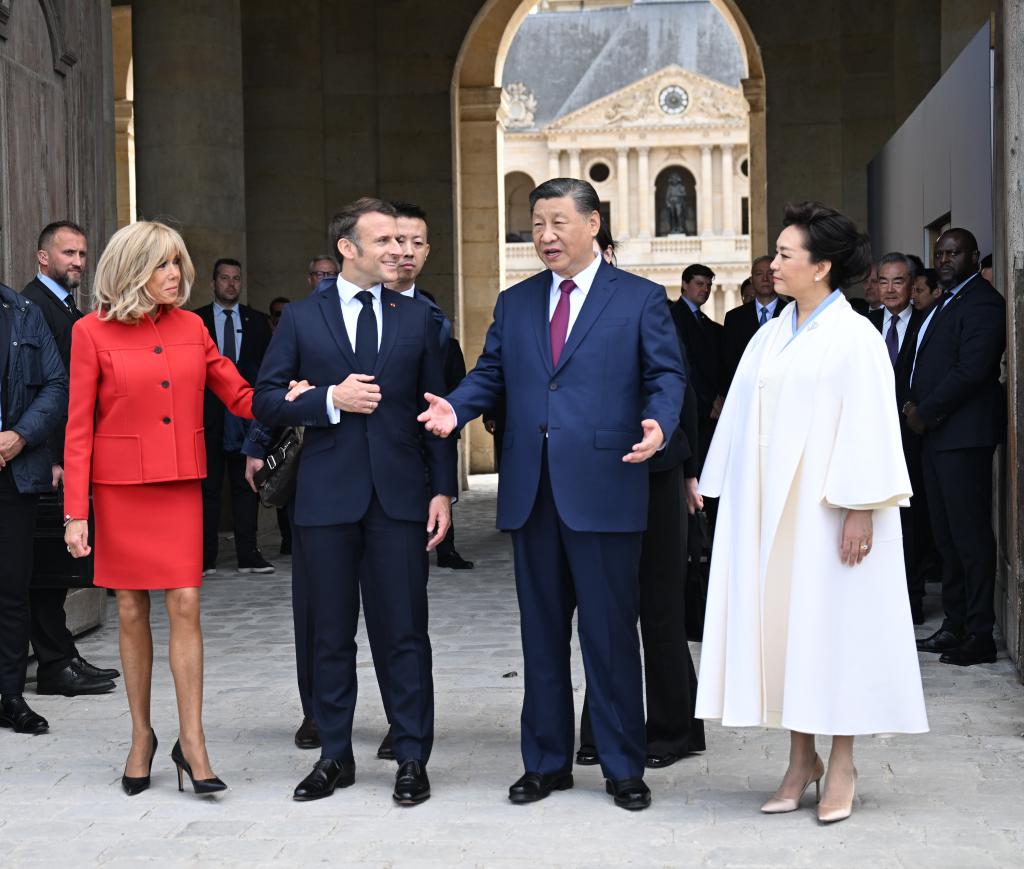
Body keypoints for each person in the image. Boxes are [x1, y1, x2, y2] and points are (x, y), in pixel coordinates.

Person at [419, 177, 685, 812]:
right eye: (537, 223)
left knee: (610, 636)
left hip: (606, 489)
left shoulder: (640, 298)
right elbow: (491, 372)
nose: (545, 235)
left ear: (593, 224)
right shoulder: (516, 303)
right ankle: (544, 763)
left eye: (558, 222)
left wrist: (660, 422)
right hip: (533, 494)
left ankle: (622, 766)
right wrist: (456, 408)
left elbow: (666, 374)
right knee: (540, 636)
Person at [695, 202, 928, 824]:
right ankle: (801, 760)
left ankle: (842, 761)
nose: (772, 265)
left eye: (784, 254)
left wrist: (861, 508)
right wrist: (720, 487)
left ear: (821, 266)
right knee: (787, 629)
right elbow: (741, 413)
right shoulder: (771, 333)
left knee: (837, 630)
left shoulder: (855, 337)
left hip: (830, 511)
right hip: (771, 509)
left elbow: (871, 424)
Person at [253, 197, 457, 806]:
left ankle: (412, 756)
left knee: (404, 633)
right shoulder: (301, 319)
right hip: (324, 501)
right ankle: (334, 756)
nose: (400, 249)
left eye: (403, 240)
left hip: (399, 500)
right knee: (330, 635)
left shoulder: (417, 317)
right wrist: (328, 399)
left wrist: (442, 489)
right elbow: (265, 400)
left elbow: (435, 412)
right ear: (348, 248)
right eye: (385, 240)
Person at [64, 221, 256, 796]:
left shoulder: (193, 327)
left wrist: (302, 398)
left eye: (178, 263)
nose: (175, 275)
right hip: (120, 487)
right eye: (162, 265)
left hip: (179, 483)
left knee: (186, 602)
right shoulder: (90, 332)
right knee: (129, 609)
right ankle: (141, 736)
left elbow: (239, 394)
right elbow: (78, 428)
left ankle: (192, 741)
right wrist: (76, 512)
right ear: (132, 270)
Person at [20, 221, 120, 696]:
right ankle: (55, 663)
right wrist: (57, 457)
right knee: (46, 565)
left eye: (82, 253)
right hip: (48, 460)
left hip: (63, 458)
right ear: (43, 257)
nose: (79, 261)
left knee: (56, 566)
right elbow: (45, 389)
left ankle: (61, 655)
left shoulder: (65, 307)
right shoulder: (32, 307)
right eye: (68, 253)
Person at [904, 229, 1006, 667]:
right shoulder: (946, 301)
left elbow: (972, 370)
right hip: (937, 437)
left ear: (974, 256)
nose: (944, 259)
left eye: (954, 252)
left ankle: (979, 635)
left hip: (962, 437)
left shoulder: (983, 302)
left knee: (970, 538)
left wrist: (925, 412)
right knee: (945, 538)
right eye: (940, 252)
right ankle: (955, 623)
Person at [0, 281, 67, 735]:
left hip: (13, 470)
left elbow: (57, 385)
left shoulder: (24, 312)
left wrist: (20, 436)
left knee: (12, 587)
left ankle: (10, 695)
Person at [195, 259, 274, 575]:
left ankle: (248, 555)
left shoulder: (257, 322)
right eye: (225, 278)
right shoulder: (195, 320)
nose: (231, 284)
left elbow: (267, 370)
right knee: (208, 488)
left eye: (236, 278)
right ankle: (205, 558)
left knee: (247, 486)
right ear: (213, 283)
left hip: (246, 417)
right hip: (207, 417)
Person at [868, 253, 927, 623]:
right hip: (870, 435)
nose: (889, 289)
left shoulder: (926, 322)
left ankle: (912, 598)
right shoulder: (864, 325)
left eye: (898, 281)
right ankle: (877, 599)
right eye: (883, 281)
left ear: (912, 285)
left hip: (913, 437)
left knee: (912, 519)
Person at [670, 264, 726, 464]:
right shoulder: (673, 316)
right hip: (690, 405)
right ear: (685, 284)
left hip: (708, 408)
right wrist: (712, 398)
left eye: (709, 285)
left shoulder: (705, 321)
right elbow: (685, 362)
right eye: (700, 284)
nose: (706, 289)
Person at [723, 255, 783, 390]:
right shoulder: (734, 318)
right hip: (745, 391)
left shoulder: (793, 312)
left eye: (770, 273)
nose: (765, 279)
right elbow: (729, 362)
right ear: (751, 280)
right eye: (759, 274)